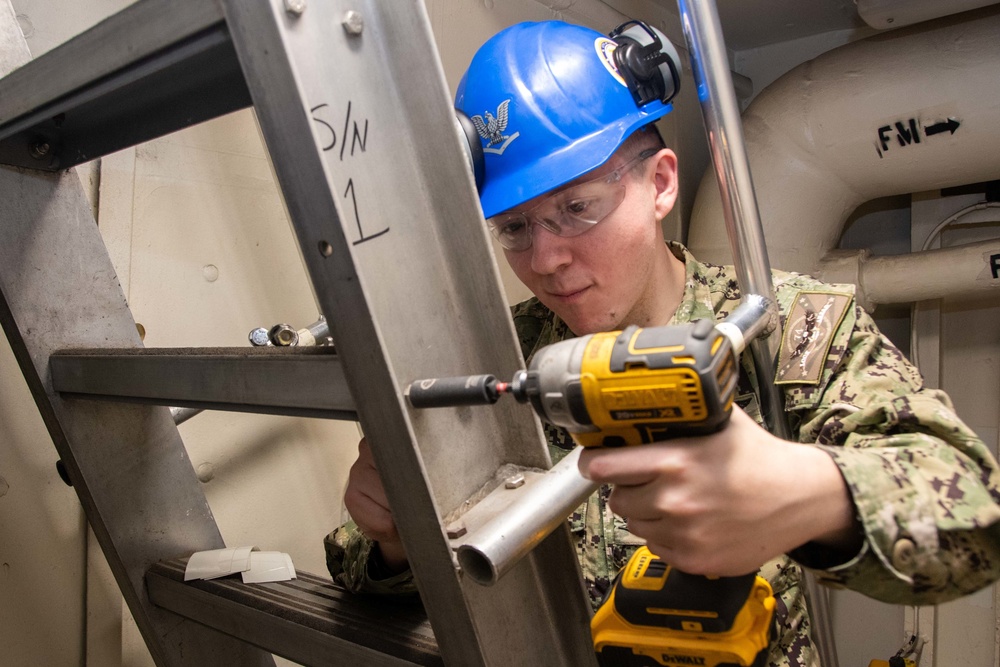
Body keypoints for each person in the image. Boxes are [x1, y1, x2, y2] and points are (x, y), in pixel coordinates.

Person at [325, 20, 1000, 666]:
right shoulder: (494, 352)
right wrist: (392, 542)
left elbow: (973, 510)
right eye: (515, 228)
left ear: (661, 183)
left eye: (576, 208)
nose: (547, 258)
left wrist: (810, 491)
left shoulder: (786, 326)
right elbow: (355, 562)